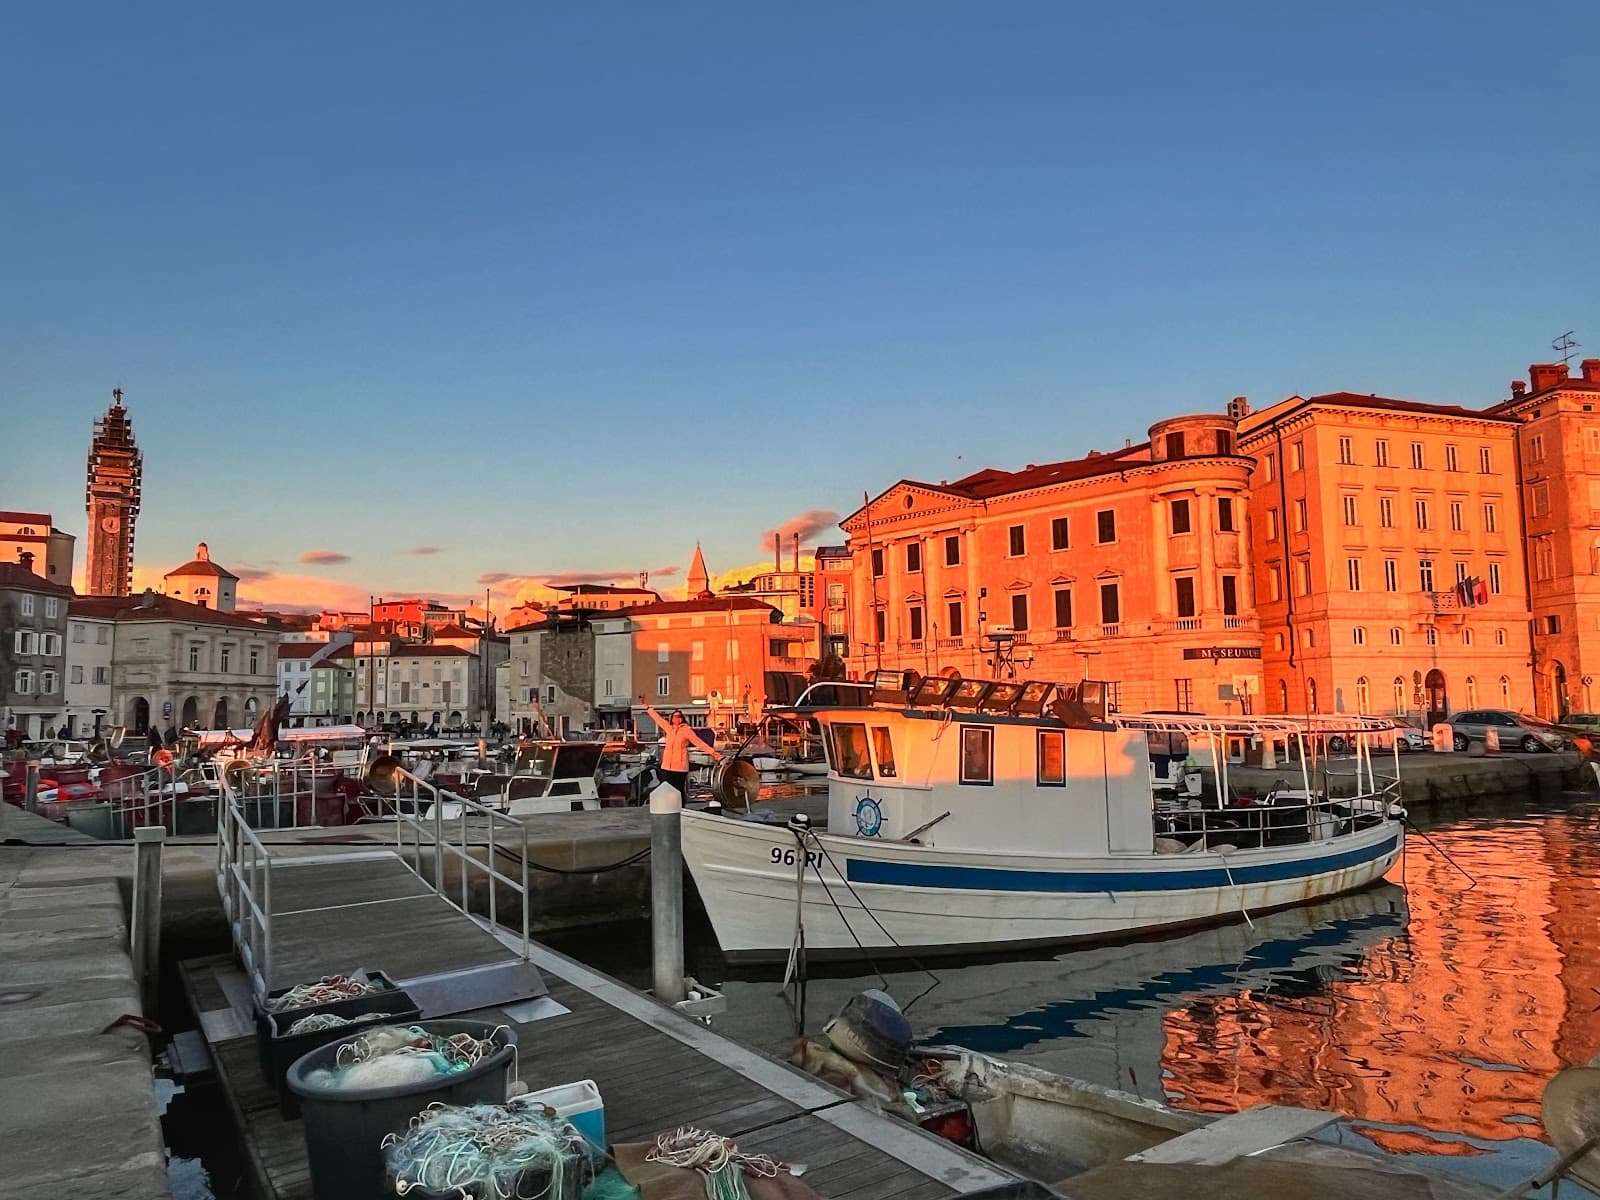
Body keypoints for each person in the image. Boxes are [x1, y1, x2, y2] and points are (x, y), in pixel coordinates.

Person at [641, 701, 723, 799]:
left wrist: (713, 753)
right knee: (667, 790)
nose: (677, 718)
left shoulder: (687, 731)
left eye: (679, 716)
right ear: (672, 718)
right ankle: (670, 806)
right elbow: (658, 719)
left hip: (680, 767)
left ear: (682, 718)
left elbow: (699, 743)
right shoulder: (669, 728)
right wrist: (647, 708)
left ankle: (681, 807)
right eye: (675, 716)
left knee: (679, 790)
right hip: (667, 766)